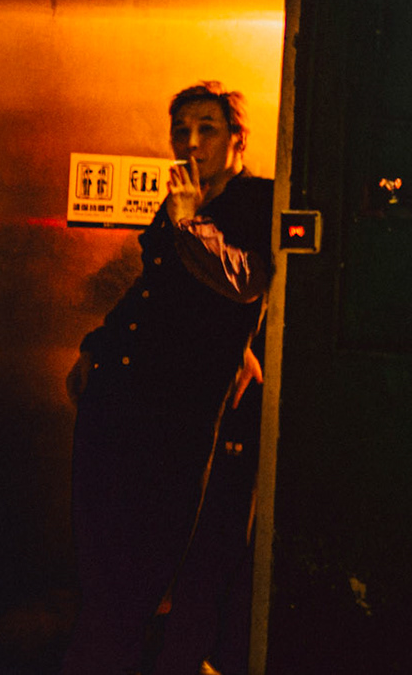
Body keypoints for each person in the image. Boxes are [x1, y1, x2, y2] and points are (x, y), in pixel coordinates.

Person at [63, 83, 274, 675]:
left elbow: (245, 281)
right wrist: (95, 345)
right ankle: (107, 648)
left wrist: (188, 221)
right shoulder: (183, 199)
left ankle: (147, 655)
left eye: (206, 127)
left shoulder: (258, 199)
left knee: (169, 542)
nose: (191, 141)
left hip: (182, 401)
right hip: (126, 384)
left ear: (237, 138)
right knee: (105, 536)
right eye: (181, 128)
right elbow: (153, 289)